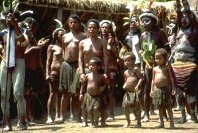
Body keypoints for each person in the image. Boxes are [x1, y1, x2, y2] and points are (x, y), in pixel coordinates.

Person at [0, 12, 29, 131]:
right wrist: (4, 57)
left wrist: (15, 25)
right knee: (3, 94)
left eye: (11, 17)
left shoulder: (23, 31)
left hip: (19, 62)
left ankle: (22, 122)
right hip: (5, 62)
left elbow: (22, 41)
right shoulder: (2, 33)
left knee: (18, 93)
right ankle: (7, 123)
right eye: (7, 17)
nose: (8, 19)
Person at [172, 0, 198, 123]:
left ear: (192, 18)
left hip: (190, 64)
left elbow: (186, 11)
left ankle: (192, 115)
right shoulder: (179, 30)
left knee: (190, 92)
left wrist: (183, 1)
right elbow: (178, 14)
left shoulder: (194, 30)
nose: (183, 19)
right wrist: (177, 2)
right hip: (177, 64)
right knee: (178, 94)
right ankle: (183, 116)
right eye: (181, 17)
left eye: (186, 17)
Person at [139, 11, 168, 122]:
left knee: (161, 88)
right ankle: (146, 114)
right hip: (147, 66)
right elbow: (141, 54)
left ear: (153, 22)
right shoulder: (142, 36)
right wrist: (142, 67)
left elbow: (167, 48)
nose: (144, 23)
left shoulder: (160, 33)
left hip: (159, 66)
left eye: (147, 21)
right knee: (146, 89)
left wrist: (158, 56)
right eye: (143, 21)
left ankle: (164, 113)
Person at [79, 19, 108, 125]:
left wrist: (105, 72)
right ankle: (84, 119)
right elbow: (80, 59)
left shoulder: (102, 42)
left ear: (98, 29)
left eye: (94, 27)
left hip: (99, 72)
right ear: (87, 28)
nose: (91, 29)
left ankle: (102, 118)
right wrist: (82, 72)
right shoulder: (82, 42)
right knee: (84, 96)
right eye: (90, 27)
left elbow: (105, 57)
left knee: (102, 96)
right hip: (86, 71)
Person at [58, 14, 86, 123]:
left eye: (75, 22)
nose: (72, 24)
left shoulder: (84, 36)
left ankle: (76, 115)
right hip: (65, 65)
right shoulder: (65, 36)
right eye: (70, 22)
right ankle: (61, 116)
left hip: (77, 65)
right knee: (65, 92)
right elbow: (64, 50)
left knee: (76, 92)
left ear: (79, 24)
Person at [24, 17, 49, 125]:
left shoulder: (32, 37)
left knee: (32, 95)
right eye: (29, 25)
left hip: (34, 69)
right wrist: (37, 47)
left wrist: (39, 46)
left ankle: (31, 117)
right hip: (26, 69)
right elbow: (22, 54)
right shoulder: (23, 38)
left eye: (32, 25)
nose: (30, 27)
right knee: (27, 95)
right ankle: (26, 118)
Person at [100, 20, 121, 120]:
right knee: (101, 91)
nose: (104, 29)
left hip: (111, 68)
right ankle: (103, 113)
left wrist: (110, 45)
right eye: (103, 27)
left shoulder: (114, 40)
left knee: (110, 91)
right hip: (101, 68)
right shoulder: (98, 40)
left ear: (110, 29)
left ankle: (111, 113)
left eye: (107, 27)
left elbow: (118, 56)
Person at [150, 48, 175, 128]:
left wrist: (173, 88)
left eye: (160, 58)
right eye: (156, 58)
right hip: (157, 89)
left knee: (168, 106)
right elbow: (153, 80)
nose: (157, 60)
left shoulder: (167, 67)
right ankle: (161, 123)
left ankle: (171, 123)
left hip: (166, 89)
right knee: (160, 107)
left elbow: (171, 78)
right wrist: (151, 90)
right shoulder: (155, 69)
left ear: (165, 58)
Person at [80, 57, 108, 128]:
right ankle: (92, 122)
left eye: (93, 65)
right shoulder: (87, 76)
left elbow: (106, 83)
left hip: (98, 96)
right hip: (89, 96)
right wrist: (81, 93)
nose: (90, 66)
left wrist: (103, 87)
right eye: (90, 65)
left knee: (96, 109)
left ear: (98, 67)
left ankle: (97, 122)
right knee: (89, 110)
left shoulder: (101, 76)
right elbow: (83, 85)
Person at [45, 27, 65, 124]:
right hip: (54, 73)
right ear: (57, 36)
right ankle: (49, 116)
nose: (62, 36)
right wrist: (47, 73)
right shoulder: (51, 47)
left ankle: (58, 115)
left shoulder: (66, 47)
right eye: (61, 35)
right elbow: (48, 61)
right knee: (52, 93)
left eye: (63, 35)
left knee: (60, 94)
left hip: (63, 74)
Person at [122, 52, 143, 128]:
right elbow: (126, 81)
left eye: (128, 60)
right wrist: (124, 85)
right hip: (128, 92)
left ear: (134, 61)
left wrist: (138, 85)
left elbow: (141, 78)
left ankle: (138, 122)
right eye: (125, 61)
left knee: (137, 107)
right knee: (125, 106)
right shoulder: (125, 72)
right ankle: (128, 121)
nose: (126, 62)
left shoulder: (136, 69)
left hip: (135, 91)